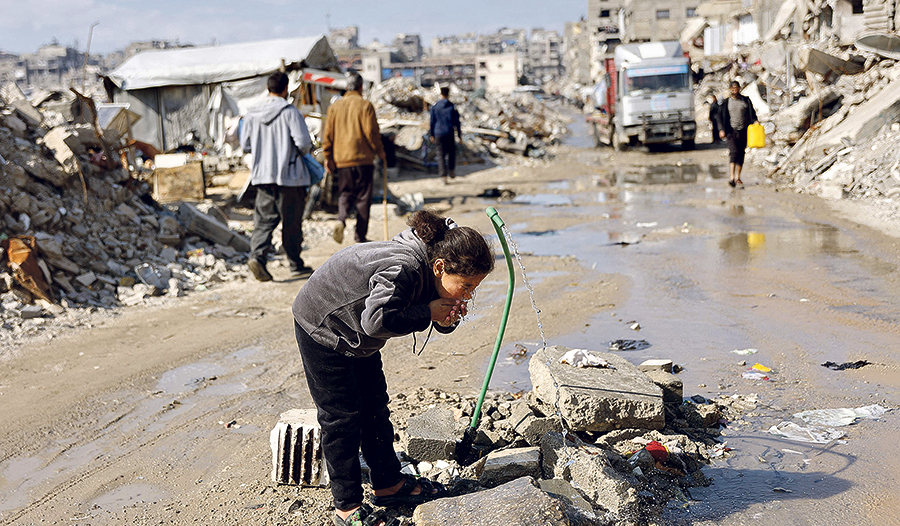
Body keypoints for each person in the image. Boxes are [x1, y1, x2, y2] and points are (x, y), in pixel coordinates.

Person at [292, 209, 494, 526]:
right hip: (324, 325)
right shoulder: (406, 267)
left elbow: (426, 307)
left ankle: (388, 484)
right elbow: (376, 321)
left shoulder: (434, 263)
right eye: (466, 285)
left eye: (473, 289)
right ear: (440, 267)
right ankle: (347, 506)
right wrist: (428, 312)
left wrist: (444, 316)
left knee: (374, 407)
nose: (468, 293)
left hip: (357, 335)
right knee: (342, 417)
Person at [240, 71, 314, 281]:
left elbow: (245, 145)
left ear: (267, 88)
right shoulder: (290, 112)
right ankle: (295, 264)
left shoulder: (252, 114)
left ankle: (258, 258)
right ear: (285, 89)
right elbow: (303, 143)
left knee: (263, 221)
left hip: (262, 177)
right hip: (290, 177)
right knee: (291, 222)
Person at [323, 72, 386, 244]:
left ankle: (341, 219)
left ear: (346, 87)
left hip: (342, 160)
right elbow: (372, 133)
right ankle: (360, 236)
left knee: (345, 193)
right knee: (363, 197)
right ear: (360, 87)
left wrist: (328, 157)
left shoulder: (335, 107)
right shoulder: (365, 106)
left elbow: (327, 135)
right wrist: (380, 151)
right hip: (363, 159)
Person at [717, 80, 758, 187]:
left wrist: (755, 121)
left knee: (741, 154)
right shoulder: (726, 103)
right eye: (732, 88)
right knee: (733, 153)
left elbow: (752, 114)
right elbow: (720, 118)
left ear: (739, 88)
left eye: (736, 88)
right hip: (731, 131)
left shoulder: (746, 101)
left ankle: (738, 177)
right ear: (730, 89)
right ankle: (731, 178)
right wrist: (721, 130)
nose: (734, 90)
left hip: (743, 131)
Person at [429, 84, 462, 184]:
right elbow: (457, 122)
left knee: (440, 155)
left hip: (438, 133)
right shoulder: (452, 106)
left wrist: (432, 134)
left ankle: (444, 176)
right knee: (451, 153)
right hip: (449, 133)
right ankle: (451, 171)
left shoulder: (435, 107)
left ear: (441, 94)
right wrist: (459, 135)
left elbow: (432, 122)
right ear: (448, 94)